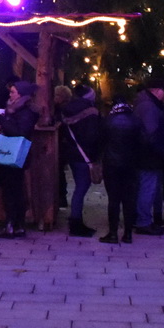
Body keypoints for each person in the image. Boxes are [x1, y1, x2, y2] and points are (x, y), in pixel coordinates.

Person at [0, 80, 39, 239]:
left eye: (13, 92)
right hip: (11, 154)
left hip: (15, 154)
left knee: (12, 191)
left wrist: (3, 120)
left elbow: (20, 132)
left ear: (21, 95)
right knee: (13, 189)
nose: (10, 94)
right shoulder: (15, 110)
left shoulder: (26, 112)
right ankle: (16, 225)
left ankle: (12, 225)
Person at [58, 83, 102, 237]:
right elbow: (93, 136)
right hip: (86, 155)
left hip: (73, 153)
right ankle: (75, 222)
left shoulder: (66, 109)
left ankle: (76, 221)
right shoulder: (91, 112)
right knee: (82, 188)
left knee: (79, 187)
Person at [98, 101, 144, 244]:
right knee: (129, 200)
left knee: (113, 199)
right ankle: (128, 234)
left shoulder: (108, 121)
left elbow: (100, 141)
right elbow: (144, 142)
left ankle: (112, 233)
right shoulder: (136, 120)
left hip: (112, 164)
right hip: (131, 164)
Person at [133, 78, 164, 236]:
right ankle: (143, 221)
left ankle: (143, 219)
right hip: (149, 156)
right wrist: (160, 150)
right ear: (157, 90)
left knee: (146, 187)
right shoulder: (149, 106)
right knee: (147, 188)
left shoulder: (143, 102)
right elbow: (151, 133)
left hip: (145, 154)